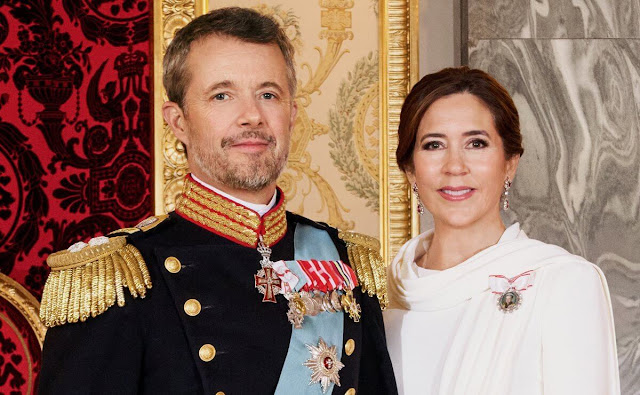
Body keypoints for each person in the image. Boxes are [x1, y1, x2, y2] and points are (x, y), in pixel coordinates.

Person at [38, 7, 397, 394]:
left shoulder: (344, 261)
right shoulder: (121, 279)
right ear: (178, 121)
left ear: (291, 115)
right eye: (222, 95)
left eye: (268, 94)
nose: (252, 116)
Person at [383, 66, 620, 394]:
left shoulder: (562, 283)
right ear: (410, 169)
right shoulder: (382, 296)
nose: (455, 166)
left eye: (476, 143)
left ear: (510, 162)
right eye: (434, 145)